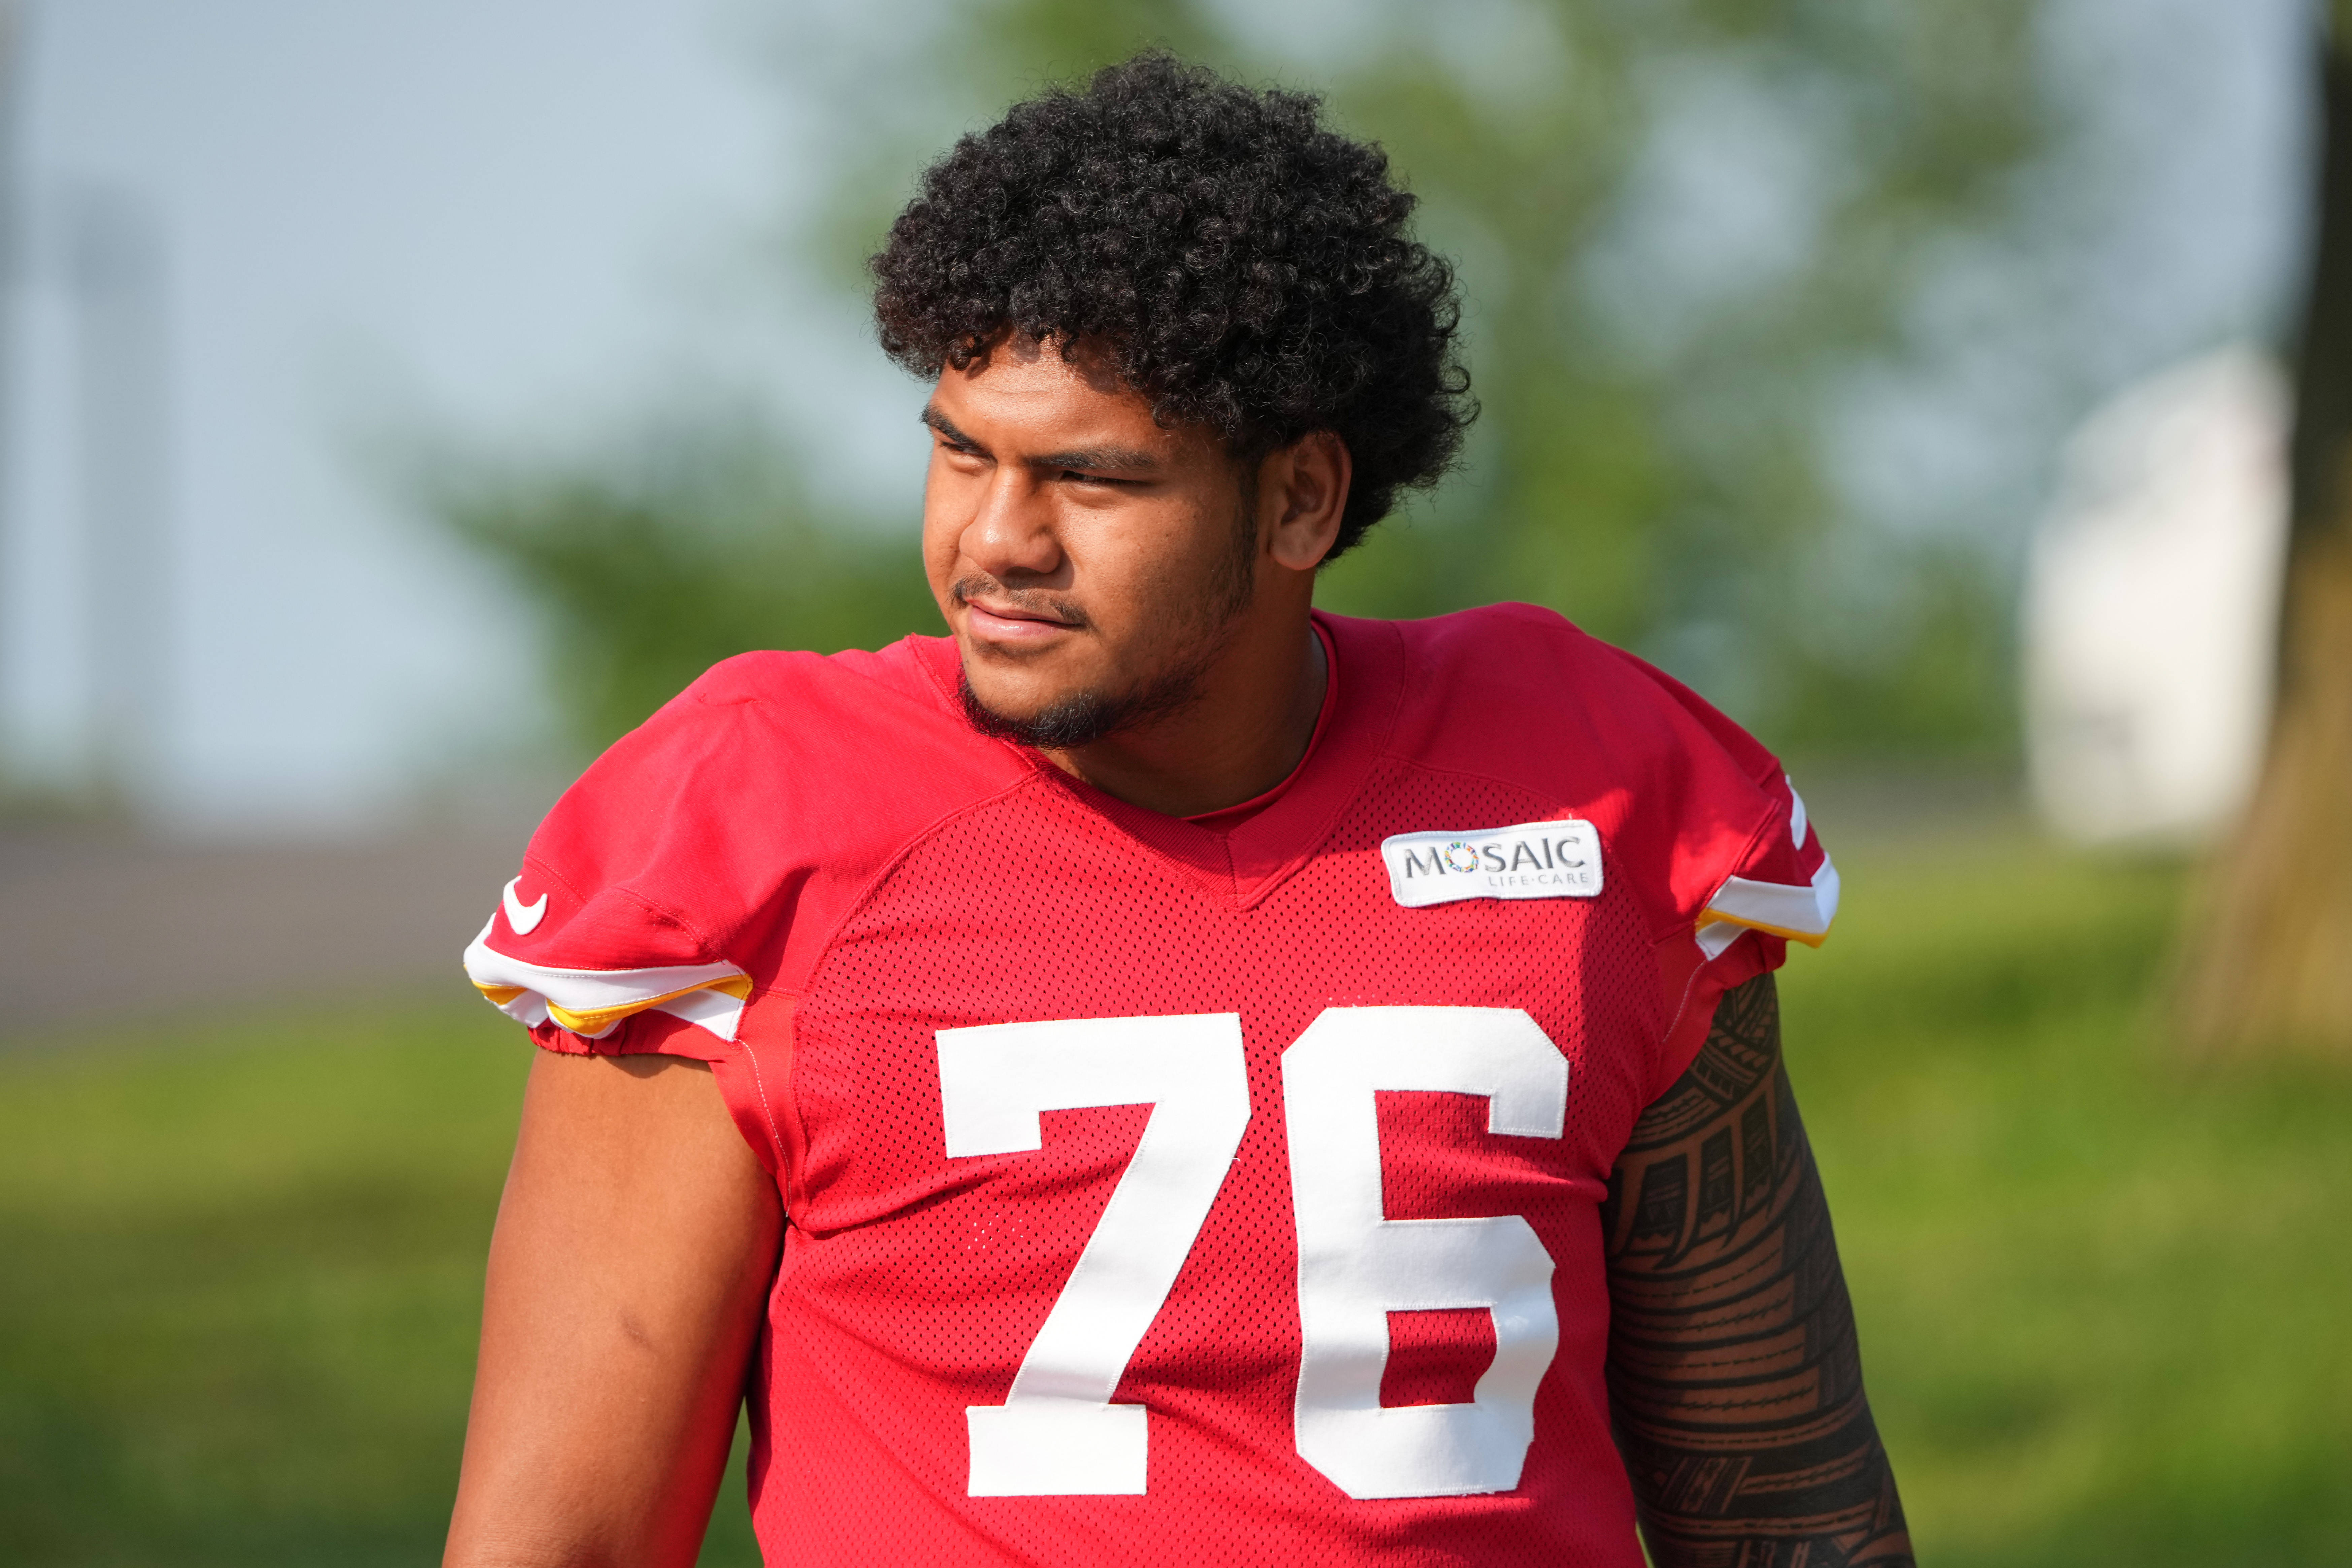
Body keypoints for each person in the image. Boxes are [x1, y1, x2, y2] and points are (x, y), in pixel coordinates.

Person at [443, 51, 1912, 1568]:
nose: (994, 542)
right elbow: (566, 1541)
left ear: (1301, 502)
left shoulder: (1596, 790)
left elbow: (1790, 1509)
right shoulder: (752, 820)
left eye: (1090, 479)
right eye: (959, 451)